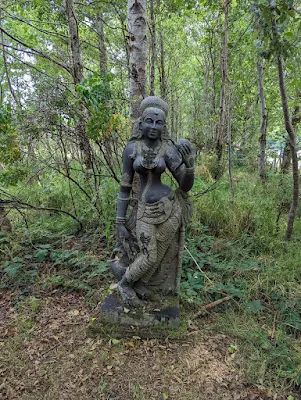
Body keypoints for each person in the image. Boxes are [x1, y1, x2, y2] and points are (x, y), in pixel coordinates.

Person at [111, 96, 195, 307]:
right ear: (141, 122)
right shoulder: (131, 150)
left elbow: (184, 185)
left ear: (164, 126)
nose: (153, 126)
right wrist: (120, 221)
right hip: (144, 211)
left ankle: (141, 284)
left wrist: (190, 165)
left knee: (159, 255)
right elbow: (124, 188)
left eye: (159, 123)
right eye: (149, 121)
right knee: (149, 255)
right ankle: (125, 284)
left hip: (170, 209)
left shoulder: (168, 149)